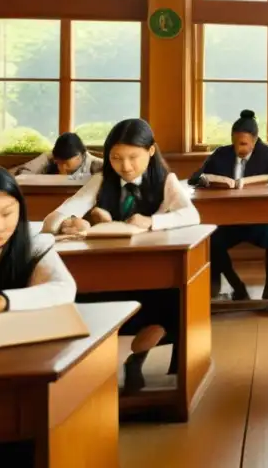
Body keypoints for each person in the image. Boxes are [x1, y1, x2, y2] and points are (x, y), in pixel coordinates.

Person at [42, 119, 200, 395]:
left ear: (151, 151)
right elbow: (63, 211)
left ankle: (137, 358)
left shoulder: (166, 181)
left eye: (133, 157)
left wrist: (151, 222)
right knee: (71, 298)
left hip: (151, 273)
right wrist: (67, 222)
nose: (125, 167)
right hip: (105, 271)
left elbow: (191, 215)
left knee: (176, 301)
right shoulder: (102, 180)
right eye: (116, 158)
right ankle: (85, 372)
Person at [189, 110, 268, 301]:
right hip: (228, 220)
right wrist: (209, 180)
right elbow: (194, 178)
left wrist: (259, 179)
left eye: (243, 143)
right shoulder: (221, 153)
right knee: (212, 239)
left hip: (259, 218)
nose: (238, 148)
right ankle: (237, 286)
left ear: (254, 140)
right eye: (235, 142)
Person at [0, 167, 76, 312]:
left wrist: (4, 300)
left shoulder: (34, 241)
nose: (0, 226)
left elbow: (64, 289)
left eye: (7, 213)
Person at [12, 132, 103, 179]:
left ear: (80, 156)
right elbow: (24, 174)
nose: (62, 167)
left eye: (66, 163)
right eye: (59, 163)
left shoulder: (96, 164)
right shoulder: (50, 157)